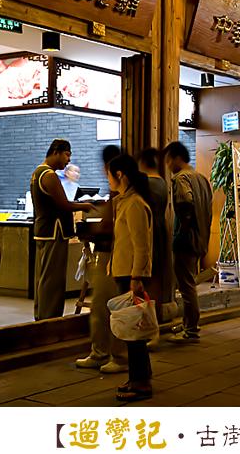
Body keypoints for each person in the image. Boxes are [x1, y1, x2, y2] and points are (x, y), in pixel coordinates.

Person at [75, 145, 128, 373]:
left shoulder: (123, 195)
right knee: (106, 305)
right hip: (114, 254)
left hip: (113, 255)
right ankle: (105, 352)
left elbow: (112, 225)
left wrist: (93, 230)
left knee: (106, 305)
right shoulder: (123, 193)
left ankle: (111, 354)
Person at [107, 154, 154, 401]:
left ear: (120, 175)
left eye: (109, 174)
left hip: (130, 274)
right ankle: (138, 377)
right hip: (123, 271)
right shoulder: (124, 202)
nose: (108, 179)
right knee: (131, 330)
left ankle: (141, 382)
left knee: (134, 331)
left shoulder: (135, 203)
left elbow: (141, 245)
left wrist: (137, 276)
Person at [30, 139, 93, 321]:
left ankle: (41, 316)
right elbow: (64, 204)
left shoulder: (37, 172)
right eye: (67, 154)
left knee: (44, 277)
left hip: (43, 231)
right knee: (53, 279)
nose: (68, 160)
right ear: (56, 152)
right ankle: (50, 319)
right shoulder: (48, 175)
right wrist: (87, 205)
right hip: (54, 232)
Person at [163, 141, 213, 343]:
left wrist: (182, 230)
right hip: (201, 238)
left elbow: (185, 203)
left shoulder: (181, 178)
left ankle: (191, 330)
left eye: (168, 160)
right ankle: (188, 324)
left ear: (177, 158)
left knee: (186, 286)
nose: (167, 165)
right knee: (189, 283)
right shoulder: (202, 178)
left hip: (185, 239)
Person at [137, 148, 175, 345]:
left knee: (148, 283)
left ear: (142, 163)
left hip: (149, 233)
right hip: (160, 232)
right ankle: (154, 327)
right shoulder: (161, 182)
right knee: (156, 282)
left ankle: (150, 329)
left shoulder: (147, 184)